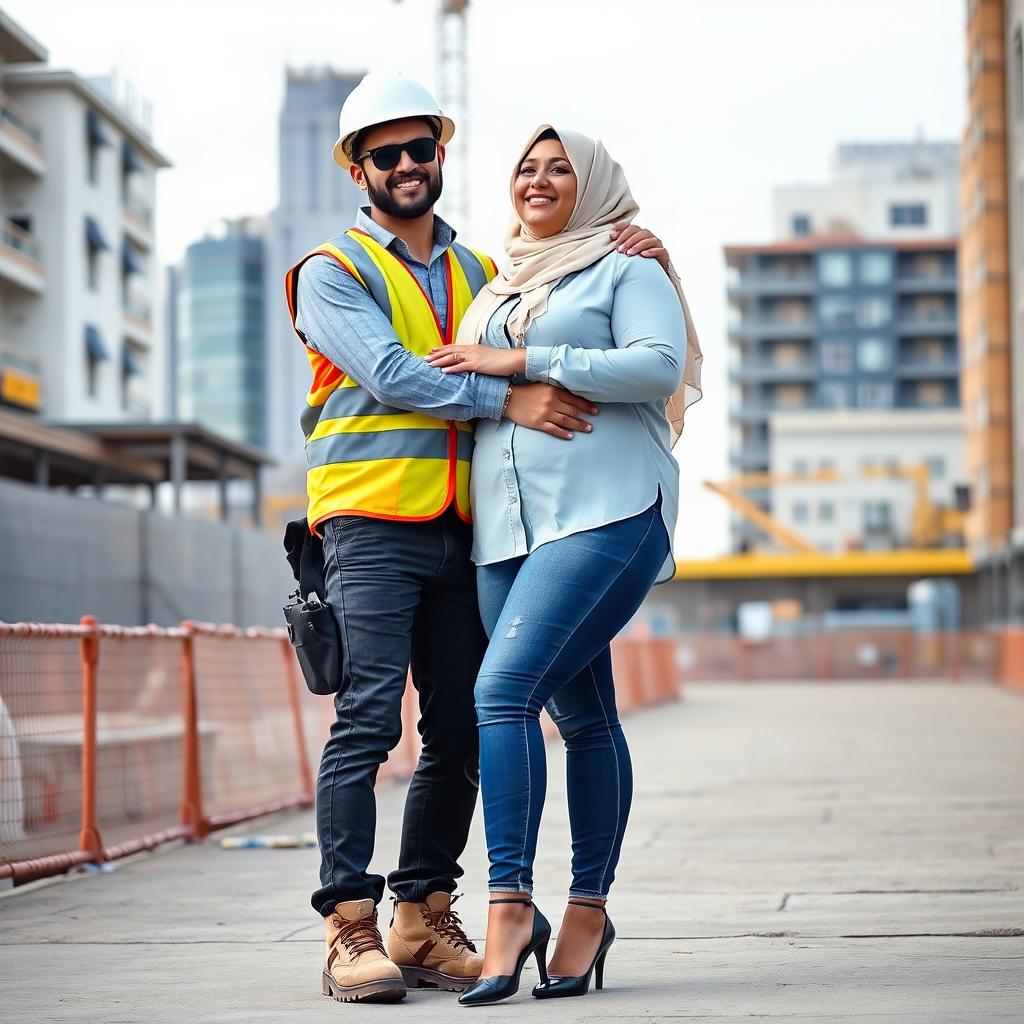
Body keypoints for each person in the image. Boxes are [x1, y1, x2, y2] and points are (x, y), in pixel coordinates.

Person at [283, 73, 672, 1004]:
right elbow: (390, 373)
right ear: (357, 169)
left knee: (461, 726)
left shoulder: (481, 272)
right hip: (371, 519)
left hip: (468, 530)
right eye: (387, 155)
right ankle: (349, 925)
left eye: (422, 150)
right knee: (372, 718)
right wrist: (511, 395)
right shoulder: (333, 269)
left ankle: (422, 913)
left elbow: (567, 292)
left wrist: (641, 245)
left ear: (441, 158)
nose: (408, 167)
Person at [424, 125, 702, 1006]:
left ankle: (510, 908)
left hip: (611, 509)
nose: (540, 180)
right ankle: (587, 914)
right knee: (584, 717)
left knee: (501, 693)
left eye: (560, 169)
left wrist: (525, 358)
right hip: (506, 531)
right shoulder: (495, 279)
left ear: (596, 186)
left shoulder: (627, 262)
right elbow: (457, 377)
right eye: (527, 168)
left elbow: (658, 366)